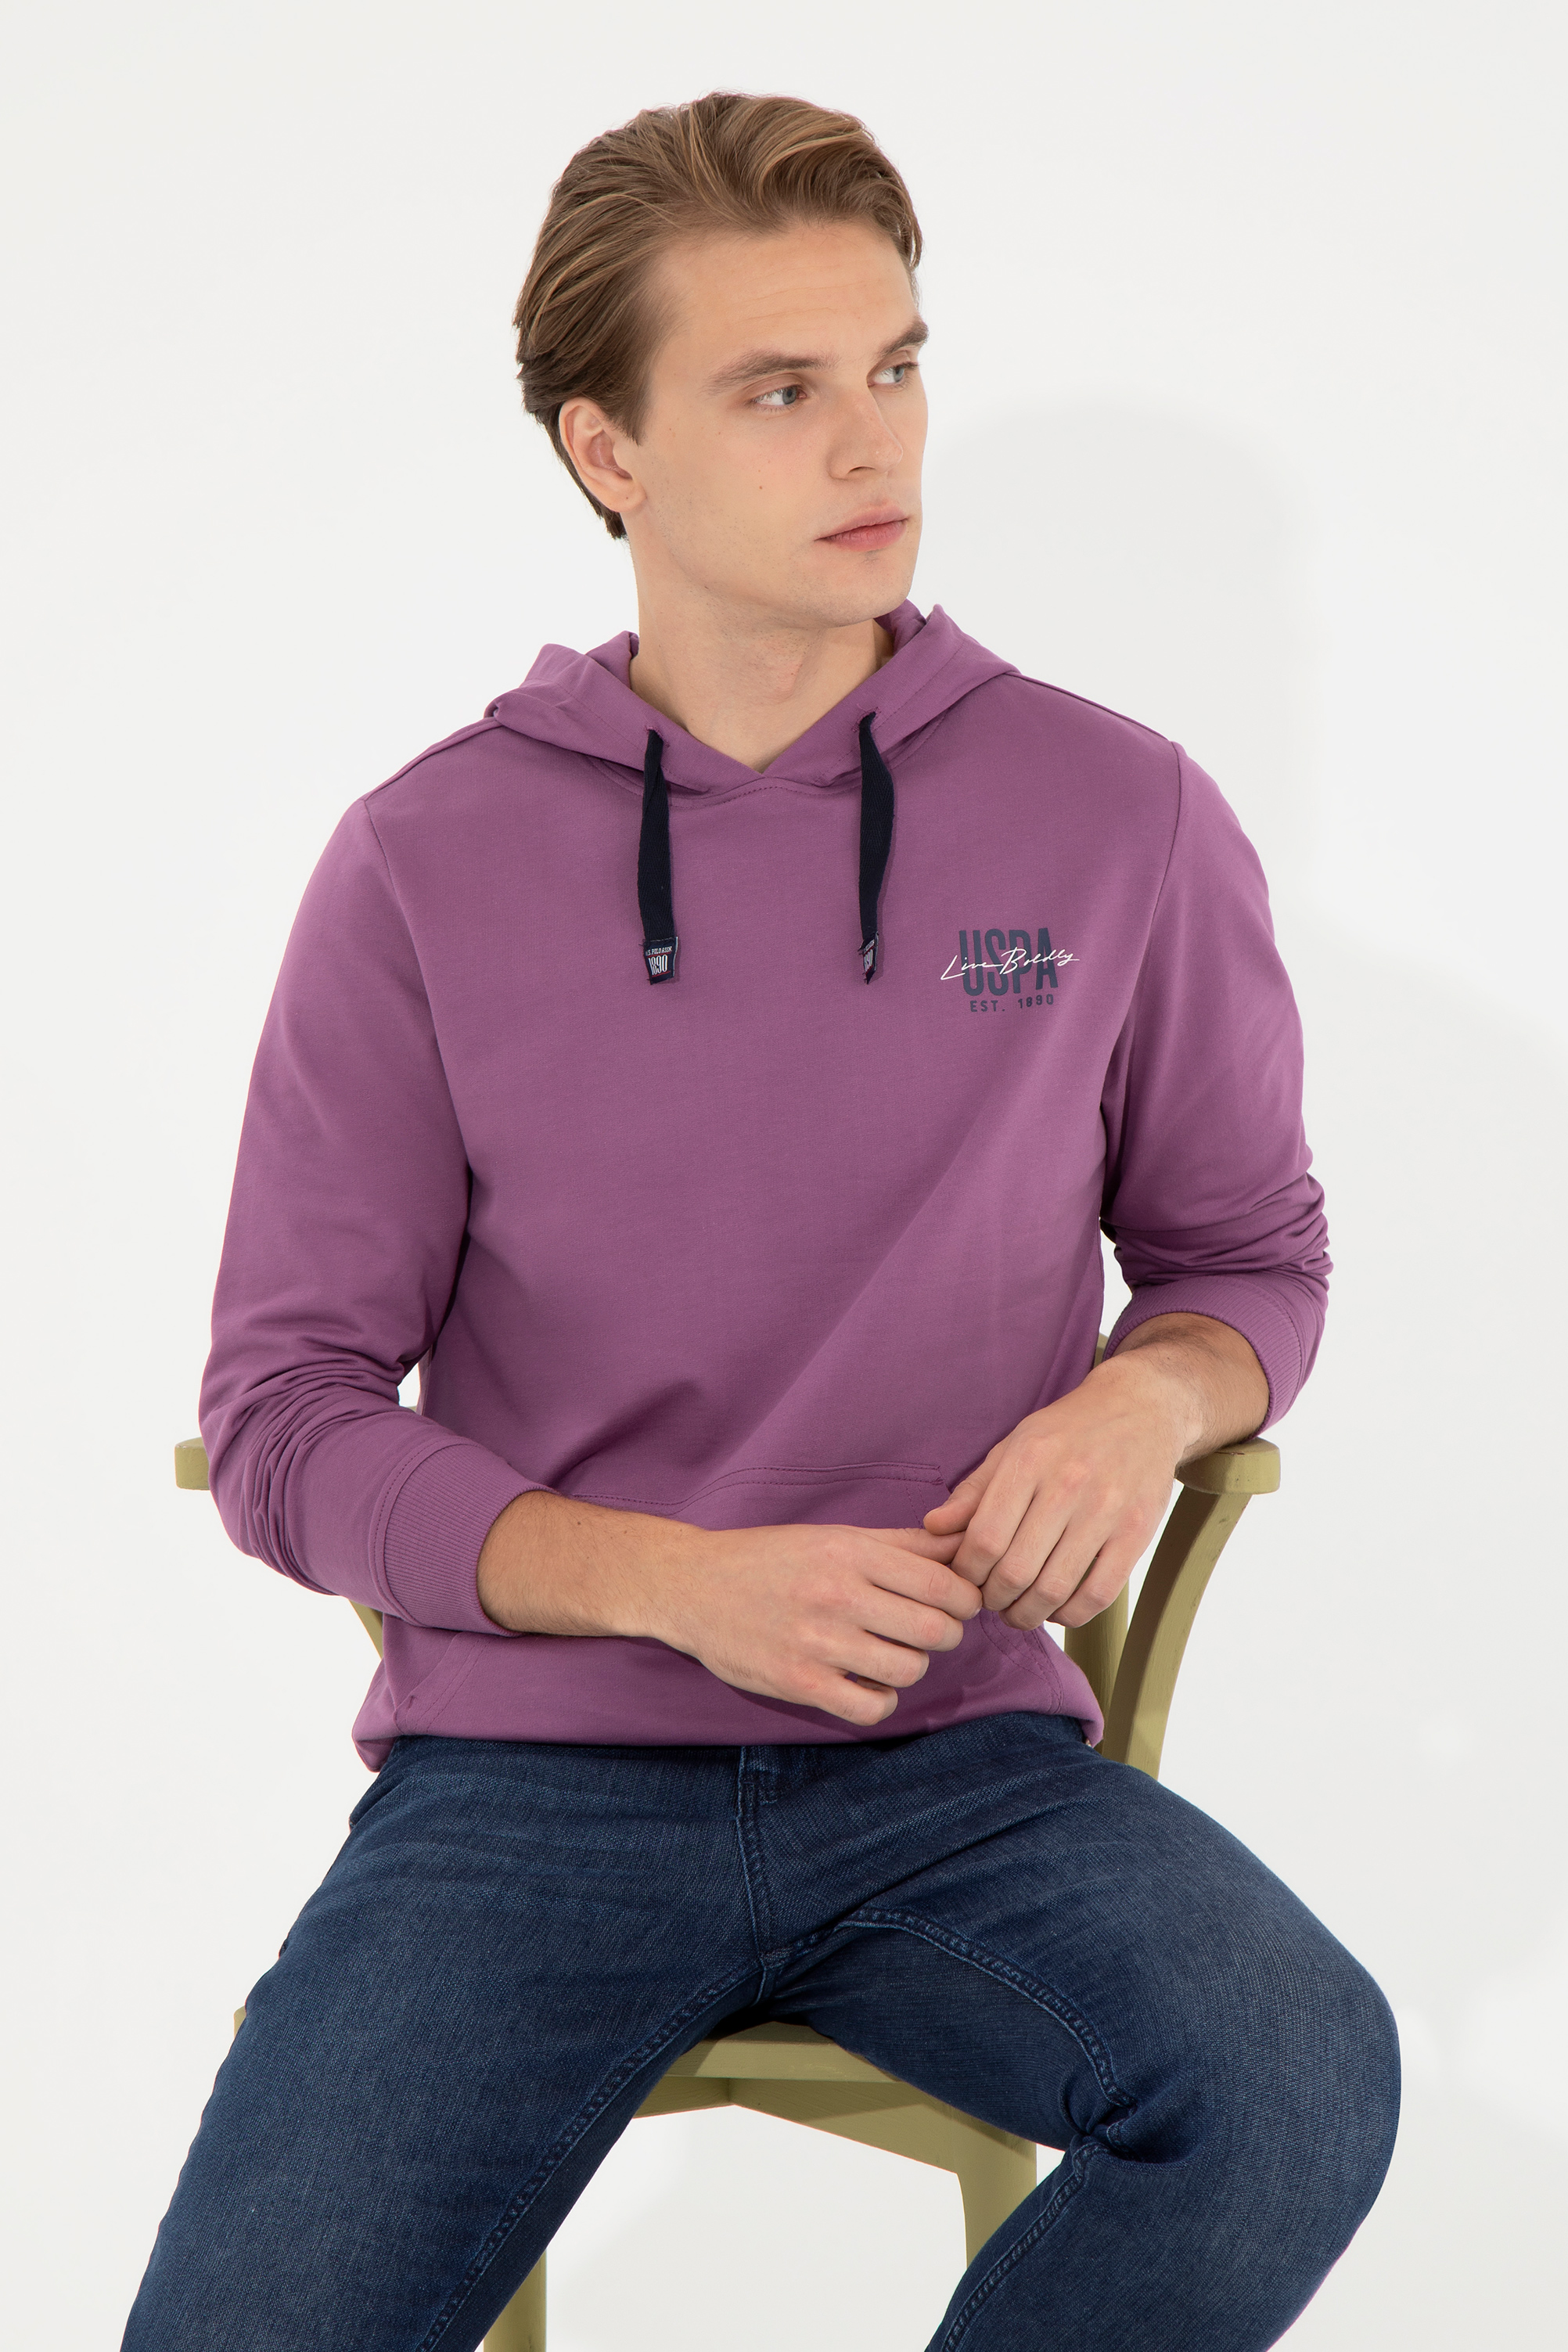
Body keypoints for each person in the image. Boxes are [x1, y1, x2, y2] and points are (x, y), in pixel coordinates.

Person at [124, 91, 1399, 2352]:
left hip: (959, 1775)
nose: (869, 440)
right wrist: (674, 1585)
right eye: (778, 390)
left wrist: (1143, 1404)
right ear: (607, 447)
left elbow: (1247, 1256)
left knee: (1293, 2076)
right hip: (525, 1796)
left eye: (893, 365)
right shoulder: (423, 862)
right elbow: (285, 1412)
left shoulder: (1117, 812)